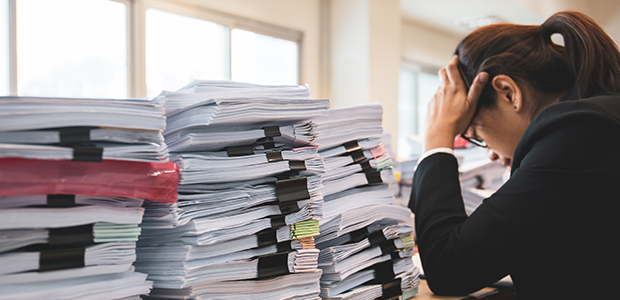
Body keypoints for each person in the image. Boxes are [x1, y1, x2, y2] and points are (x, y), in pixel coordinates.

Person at [408, 10, 620, 299]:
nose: (492, 155)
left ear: (509, 93)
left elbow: (448, 269)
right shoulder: (598, 121)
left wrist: (437, 136)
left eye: (476, 135)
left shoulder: (581, 132)